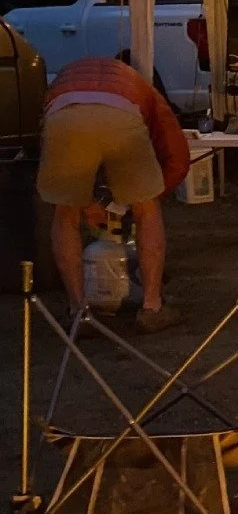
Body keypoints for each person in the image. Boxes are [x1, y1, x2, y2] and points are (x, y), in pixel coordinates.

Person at [37, 56, 188, 332]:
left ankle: (78, 310)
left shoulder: (61, 79)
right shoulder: (144, 87)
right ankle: (152, 307)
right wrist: (141, 198)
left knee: (65, 212)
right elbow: (177, 157)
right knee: (147, 210)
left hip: (64, 115)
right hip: (122, 115)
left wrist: (90, 202)